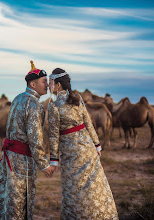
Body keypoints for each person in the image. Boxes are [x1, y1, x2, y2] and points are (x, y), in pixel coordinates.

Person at [0, 61, 54, 220]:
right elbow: (35, 139)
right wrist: (44, 164)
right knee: (19, 201)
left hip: (9, 158)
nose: (48, 85)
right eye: (44, 81)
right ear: (33, 84)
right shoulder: (35, 105)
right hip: (22, 162)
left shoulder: (17, 99)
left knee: (5, 198)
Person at [48, 68, 118, 219]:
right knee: (95, 185)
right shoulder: (77, 98)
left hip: (70, 153)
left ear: (58, 85)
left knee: (73, 190)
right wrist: (97, 145)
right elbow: (88, 123)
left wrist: (54, 160)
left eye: (50, 82)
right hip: (87, 148)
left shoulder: (54, 106)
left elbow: (53, 135)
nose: (48, 85)